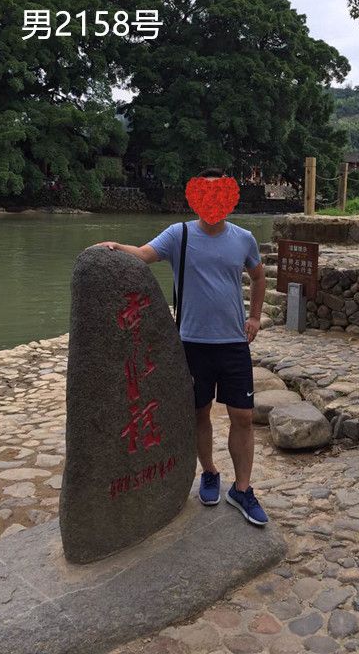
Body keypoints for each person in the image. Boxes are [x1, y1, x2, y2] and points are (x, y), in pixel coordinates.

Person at [93, 167, 269, 526]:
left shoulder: (244, 238)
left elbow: (258, 275)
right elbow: (143, 254)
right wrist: (114, 247)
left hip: (233, 343)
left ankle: (242, 489)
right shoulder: (180, 234)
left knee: (243, 417)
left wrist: (254, 317)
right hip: (190, 343)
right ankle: (209, 472)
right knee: (198, 413)